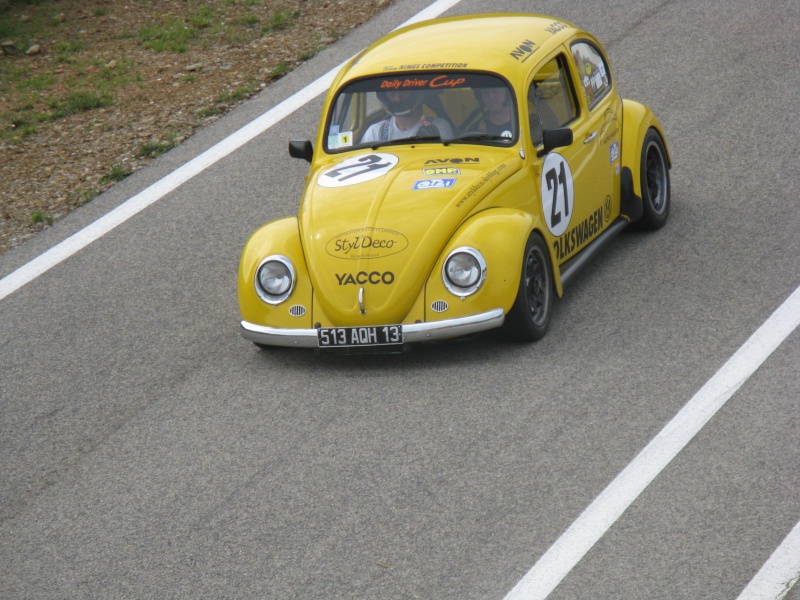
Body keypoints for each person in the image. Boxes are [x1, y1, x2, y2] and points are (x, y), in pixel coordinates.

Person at [361, 90, 452, 143]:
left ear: (414, 94)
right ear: (386, 97)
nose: (398, 99)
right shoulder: (375, 132)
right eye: (392, 94)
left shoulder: (439, 128)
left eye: (404, 92)